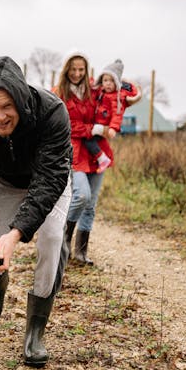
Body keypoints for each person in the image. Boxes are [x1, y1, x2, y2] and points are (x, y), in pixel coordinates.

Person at [0, 55, 72, 368]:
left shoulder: (52, 113)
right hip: (2, 180)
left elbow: (50, 181)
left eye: (6, 106)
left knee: (50, 238)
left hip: (49, 182)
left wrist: (17, 232)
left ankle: (35, 330)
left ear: (20, 99)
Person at [54, 54, 140, 265]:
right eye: (73, 69)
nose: (77, 74)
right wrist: (95, 128)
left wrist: (129, 85)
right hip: (75, 150)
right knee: (81, 195)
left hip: (97, 151)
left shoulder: (95, 90)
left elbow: (123, 95)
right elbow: (65, 124)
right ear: (66, 70)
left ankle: (81, 251)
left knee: (91, 204)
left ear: (87, 70)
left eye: (81, 70)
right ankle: (61, 240)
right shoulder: (59, 93)